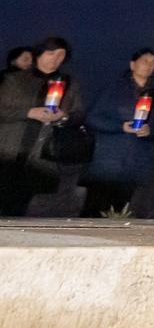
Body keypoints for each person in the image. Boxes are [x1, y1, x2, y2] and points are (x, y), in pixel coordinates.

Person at [0, 36, 88, 216]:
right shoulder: (14, 79)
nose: (56, 58)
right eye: (51, 53)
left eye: (61, 55)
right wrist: (28, 112)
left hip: (42, 157)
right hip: (7, 151)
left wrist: (63, 117)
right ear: (38, 54)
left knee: (25, 207)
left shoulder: (69, 84)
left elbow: (79, 115)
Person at [81, 48, 154, 217]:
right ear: (132, 64)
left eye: (153, 63)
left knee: (123, 212)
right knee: (95, 210)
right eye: (145, 61)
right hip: (108, 161)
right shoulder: (114, 88)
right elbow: (92, 118)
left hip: (139, 162)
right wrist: (120, 126)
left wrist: (150, 131)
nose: (149, 66)